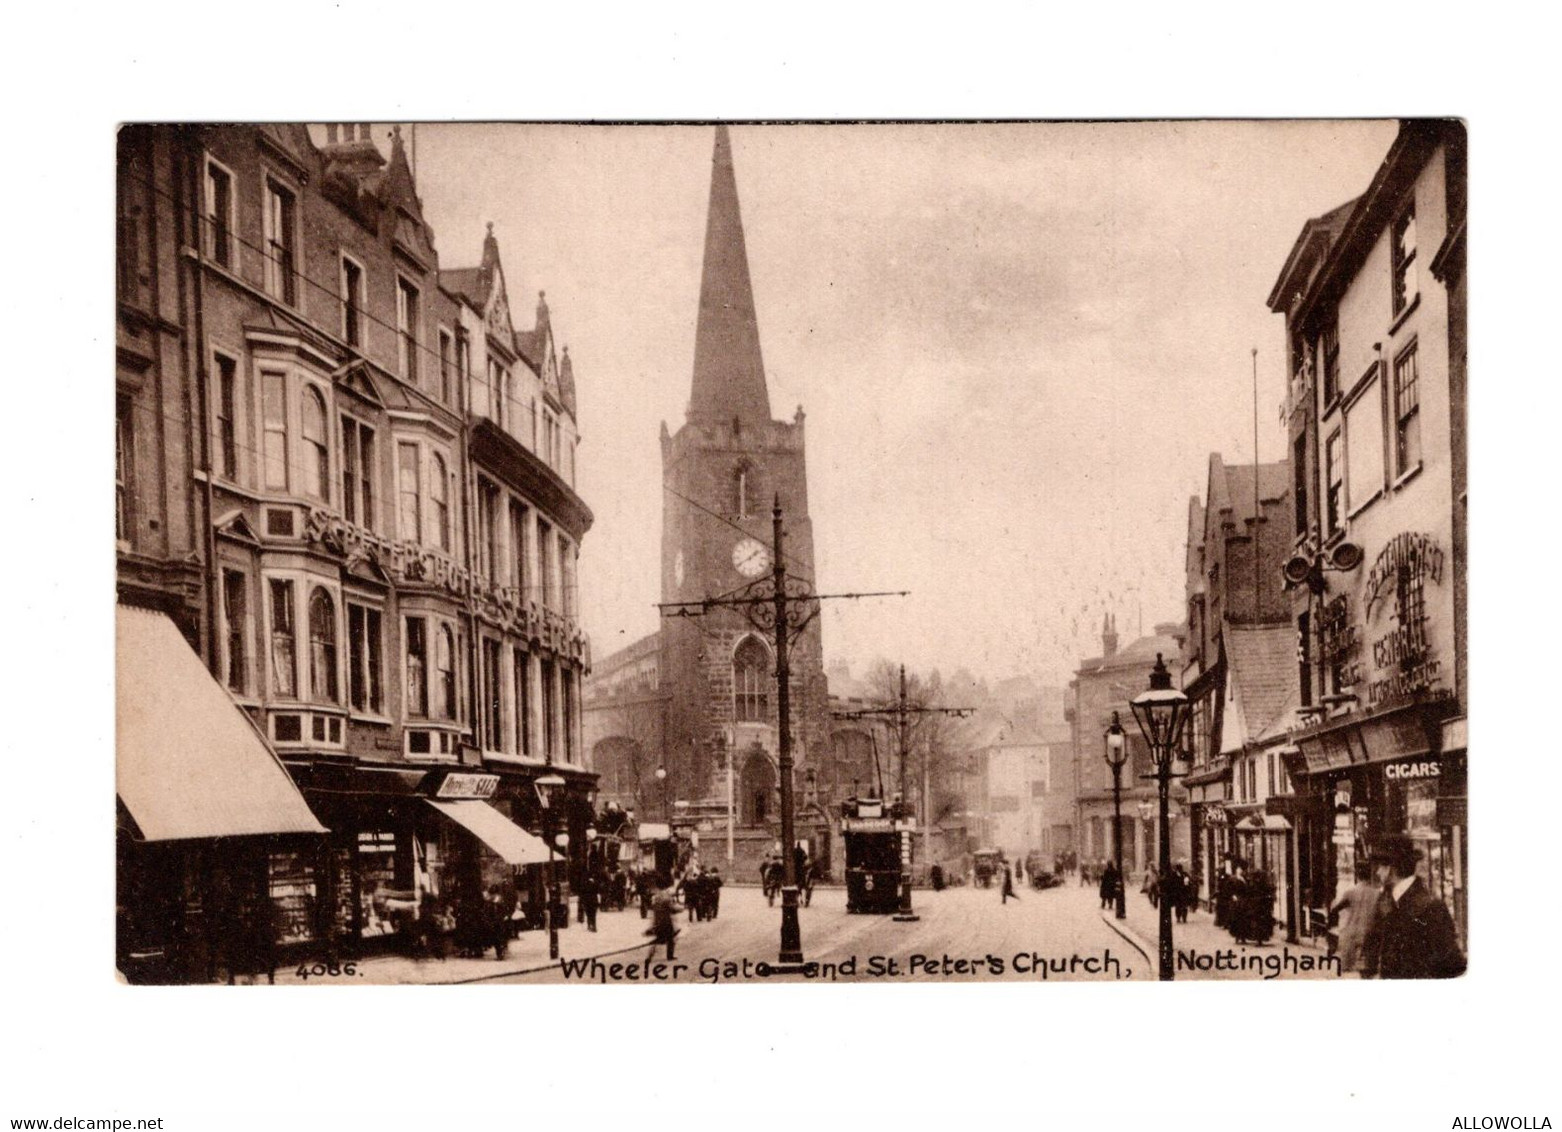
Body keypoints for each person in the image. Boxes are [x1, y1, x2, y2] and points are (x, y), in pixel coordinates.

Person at [1362, 836, 1464, 979]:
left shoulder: (1430, 906)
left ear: (1390, 868)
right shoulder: (1387, 901)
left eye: (1380, 866)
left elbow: (1453, 964)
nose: (1378, 872)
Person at [1330, 862, 1382, 976]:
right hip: (1370, 938)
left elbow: (1334, 909)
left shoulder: (1350, 892)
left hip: (1352, 938)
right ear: (1370, 875)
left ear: (1357, 875)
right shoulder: (1378, 894)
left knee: (1352, 971)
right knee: (1367, 972)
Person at [645, 885, 683, 962]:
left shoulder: (655, 898)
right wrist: (681, 908)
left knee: (657, 940)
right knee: (671, 940)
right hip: (666, 922)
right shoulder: (666, 899)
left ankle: (649, 956)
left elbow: (653, 910)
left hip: (658, 921)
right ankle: (670, 956)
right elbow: (673, 909)